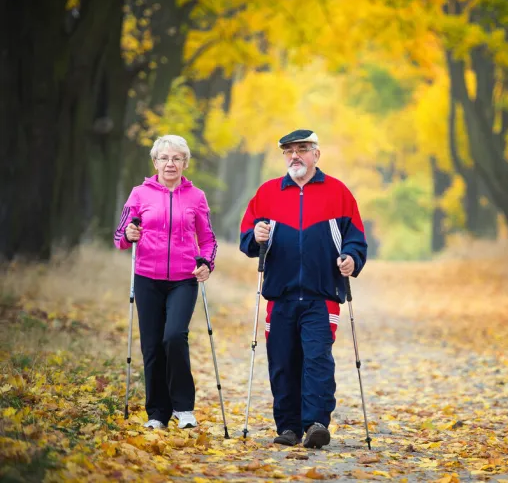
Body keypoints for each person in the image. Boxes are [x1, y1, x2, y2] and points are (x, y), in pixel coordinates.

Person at [239, 129, 368, 449]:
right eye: (288, 151)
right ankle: (288, 427)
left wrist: (351, 258)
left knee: (317, 359)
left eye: (302, 149)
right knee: (282, 361)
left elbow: (356, 238)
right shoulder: (267, 193)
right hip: (279, 295)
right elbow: (247, 238)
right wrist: (256, 235)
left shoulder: (338, 192)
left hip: (321, 295)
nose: (294, 155)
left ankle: (315, 424)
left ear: (316, 154)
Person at [114, 135, 218, 430]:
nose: (170, 164)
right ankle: (157, 413)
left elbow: (208, 240)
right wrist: (128, 236)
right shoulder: (138, 194)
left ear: (185, 163)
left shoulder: (196, 197)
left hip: (184, 280)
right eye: (164, 158)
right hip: (147, 277)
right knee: (151, 346)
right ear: (155, 162)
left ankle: (183, 407)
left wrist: (206, 263)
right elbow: (120, 237)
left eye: (176, 158)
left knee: (173, 337)